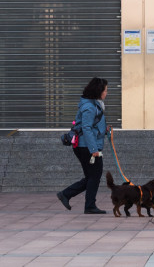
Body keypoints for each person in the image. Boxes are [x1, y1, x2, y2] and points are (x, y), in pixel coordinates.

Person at [57, 76, 109, 214]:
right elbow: (86, 128)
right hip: (86, 147)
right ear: (99, 91)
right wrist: (93, 149)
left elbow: (92, 126)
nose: (106, 93)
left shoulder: (93, 105)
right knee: (95, 175)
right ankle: (89, 205)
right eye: (105, 90)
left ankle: (67, 195)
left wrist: (104, 130)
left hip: (86, 145)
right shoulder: (90, 107)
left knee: (91, 177)